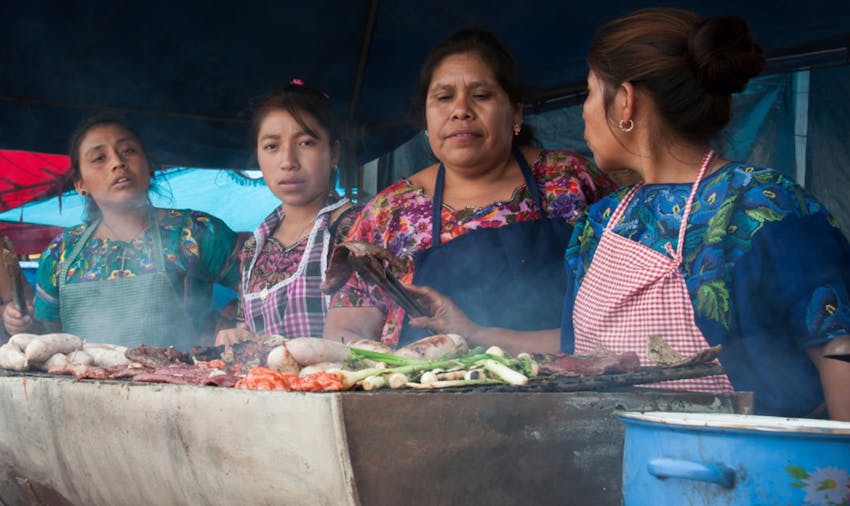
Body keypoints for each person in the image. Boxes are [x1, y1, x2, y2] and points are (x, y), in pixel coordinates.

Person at [560, 8, 850, 419]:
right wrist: (483, 333)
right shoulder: (600, 223)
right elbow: (576, 358)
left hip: (749, 457)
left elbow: (839, 347)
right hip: (607, 454)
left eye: (590, 92)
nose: (584, 112)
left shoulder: (761, 206)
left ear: (625, 101)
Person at [323, 29, 618, 355]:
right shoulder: (389, 211)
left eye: (481, 95)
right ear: (425, 119)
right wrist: (396, 365)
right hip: (428, 383)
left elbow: (625, 316)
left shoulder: (571, 180)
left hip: (574, 378)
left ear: (516, 113)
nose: (460, 110)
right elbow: (345, 330)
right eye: (444, 97)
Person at [2, 115, 240, 350]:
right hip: (81, 376)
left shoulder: (197, 231)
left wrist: (230, 326)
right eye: (99, 158)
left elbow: (258, 293)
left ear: (150, 167)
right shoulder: (60, 252)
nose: (117, 162)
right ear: (80, 184)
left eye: (128, 151)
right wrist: (22, 323)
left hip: (183, 374)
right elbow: (47, 335)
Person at [215, 81, 360, 345]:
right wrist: (237, 337)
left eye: (306, 143)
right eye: (272, 146)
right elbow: (245, 328)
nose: (288, 162)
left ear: (334, 153)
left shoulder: (358, 227)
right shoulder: (253, 248)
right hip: (266, 372)